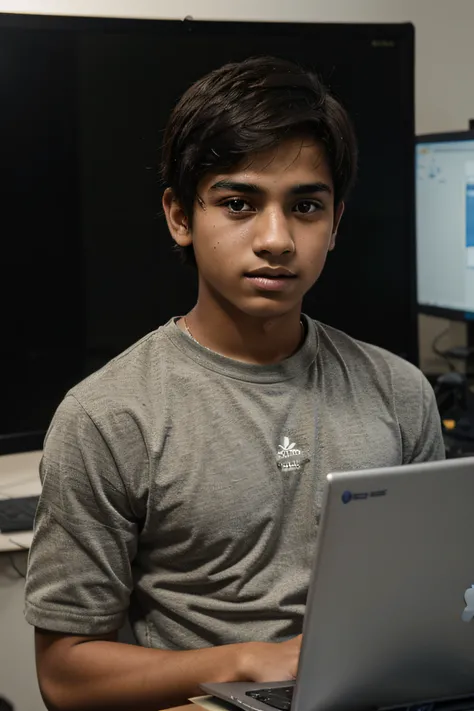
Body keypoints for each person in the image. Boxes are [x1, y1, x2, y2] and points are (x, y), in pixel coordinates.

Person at [25, 56, 445, 711]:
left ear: (335, 222)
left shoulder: (401, 393)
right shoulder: (109, 415)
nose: (276, 239)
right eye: (239, 203)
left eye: (306, 205)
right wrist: (250, 661)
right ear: (180, 216)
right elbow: (66, 675)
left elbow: (430, 604)